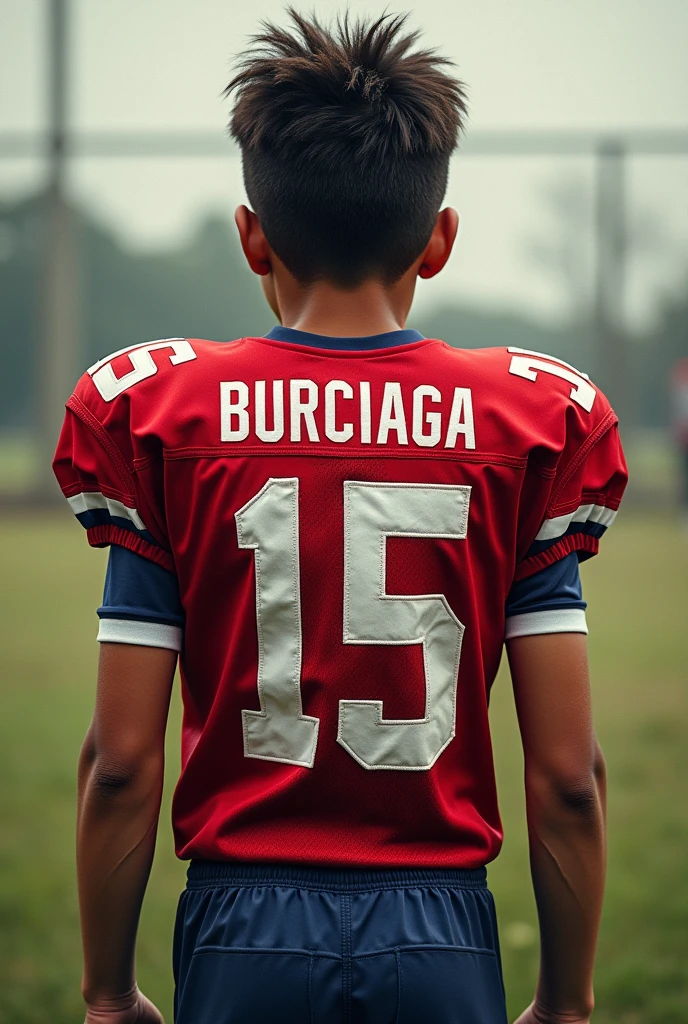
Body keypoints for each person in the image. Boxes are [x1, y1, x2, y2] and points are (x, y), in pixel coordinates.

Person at [53, 11, 628, 1024]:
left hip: (242, 921)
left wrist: (106, 993)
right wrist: (567, 1003)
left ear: (251, 234)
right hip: (438, 924)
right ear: (439, 240)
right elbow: (568, 777)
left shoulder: (165, 414)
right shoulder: (530, 421)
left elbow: (122, 762)